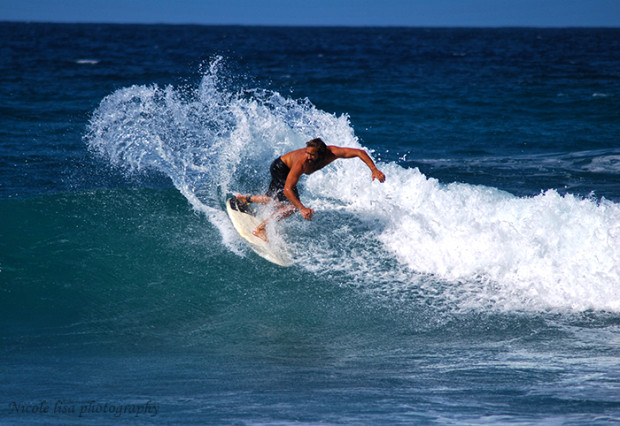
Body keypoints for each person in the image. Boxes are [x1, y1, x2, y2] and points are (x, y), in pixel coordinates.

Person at [236, 138, 386, 241]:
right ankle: (261, 229)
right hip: (281, 169)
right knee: (292, 207)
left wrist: (374, 169)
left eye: (311, 154)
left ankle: (245, 199)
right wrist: (301, 208)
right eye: (307, 152)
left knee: (275, 201)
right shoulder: (301, 162)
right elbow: (288, 189)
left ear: (321, 153)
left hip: (284, 169)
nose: (307, 156)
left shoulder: (332, 153)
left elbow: (359, 152)